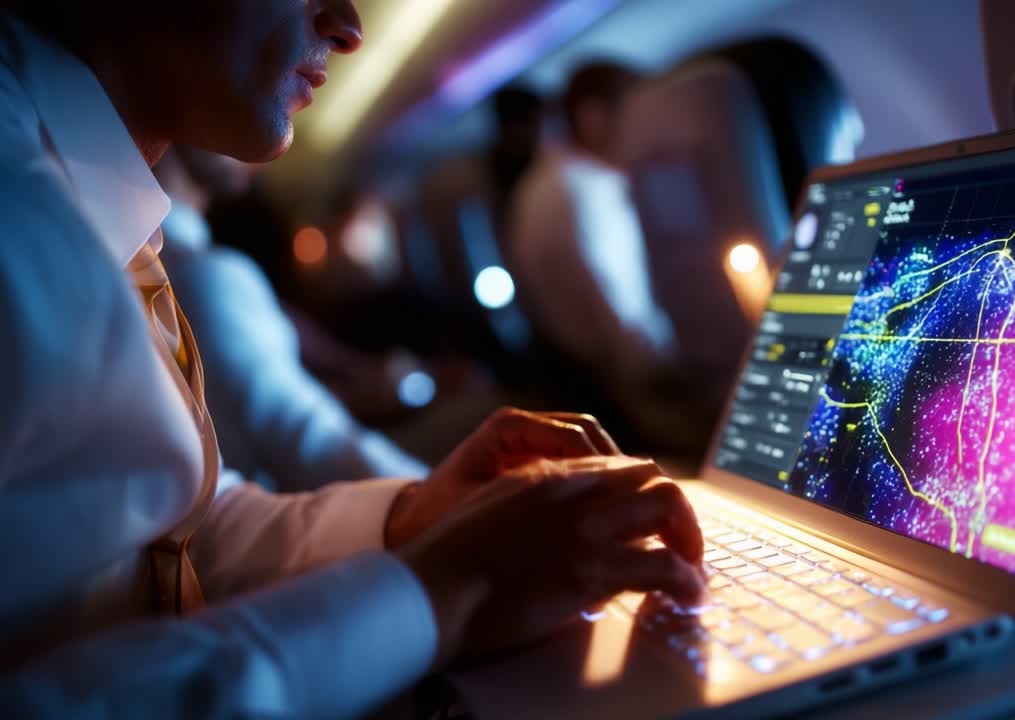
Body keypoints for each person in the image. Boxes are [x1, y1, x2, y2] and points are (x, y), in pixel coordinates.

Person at [0, 2, 704, 716]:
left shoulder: (89, 209)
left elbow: (168, 532)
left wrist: (412, 514)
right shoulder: (18, 218)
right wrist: (451, 590)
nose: (348, 25)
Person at [154, 146, 431, 491]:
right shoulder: (205, 274)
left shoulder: (162, 262)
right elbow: (306, 439)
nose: (274, 143)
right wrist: (441, 496)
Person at [508, 61, 676, 386]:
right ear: (593, 117)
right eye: (637, 117)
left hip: (585, 367)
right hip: (633, 376)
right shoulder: (591, 190)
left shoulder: (535, 185)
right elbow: (624, 311)